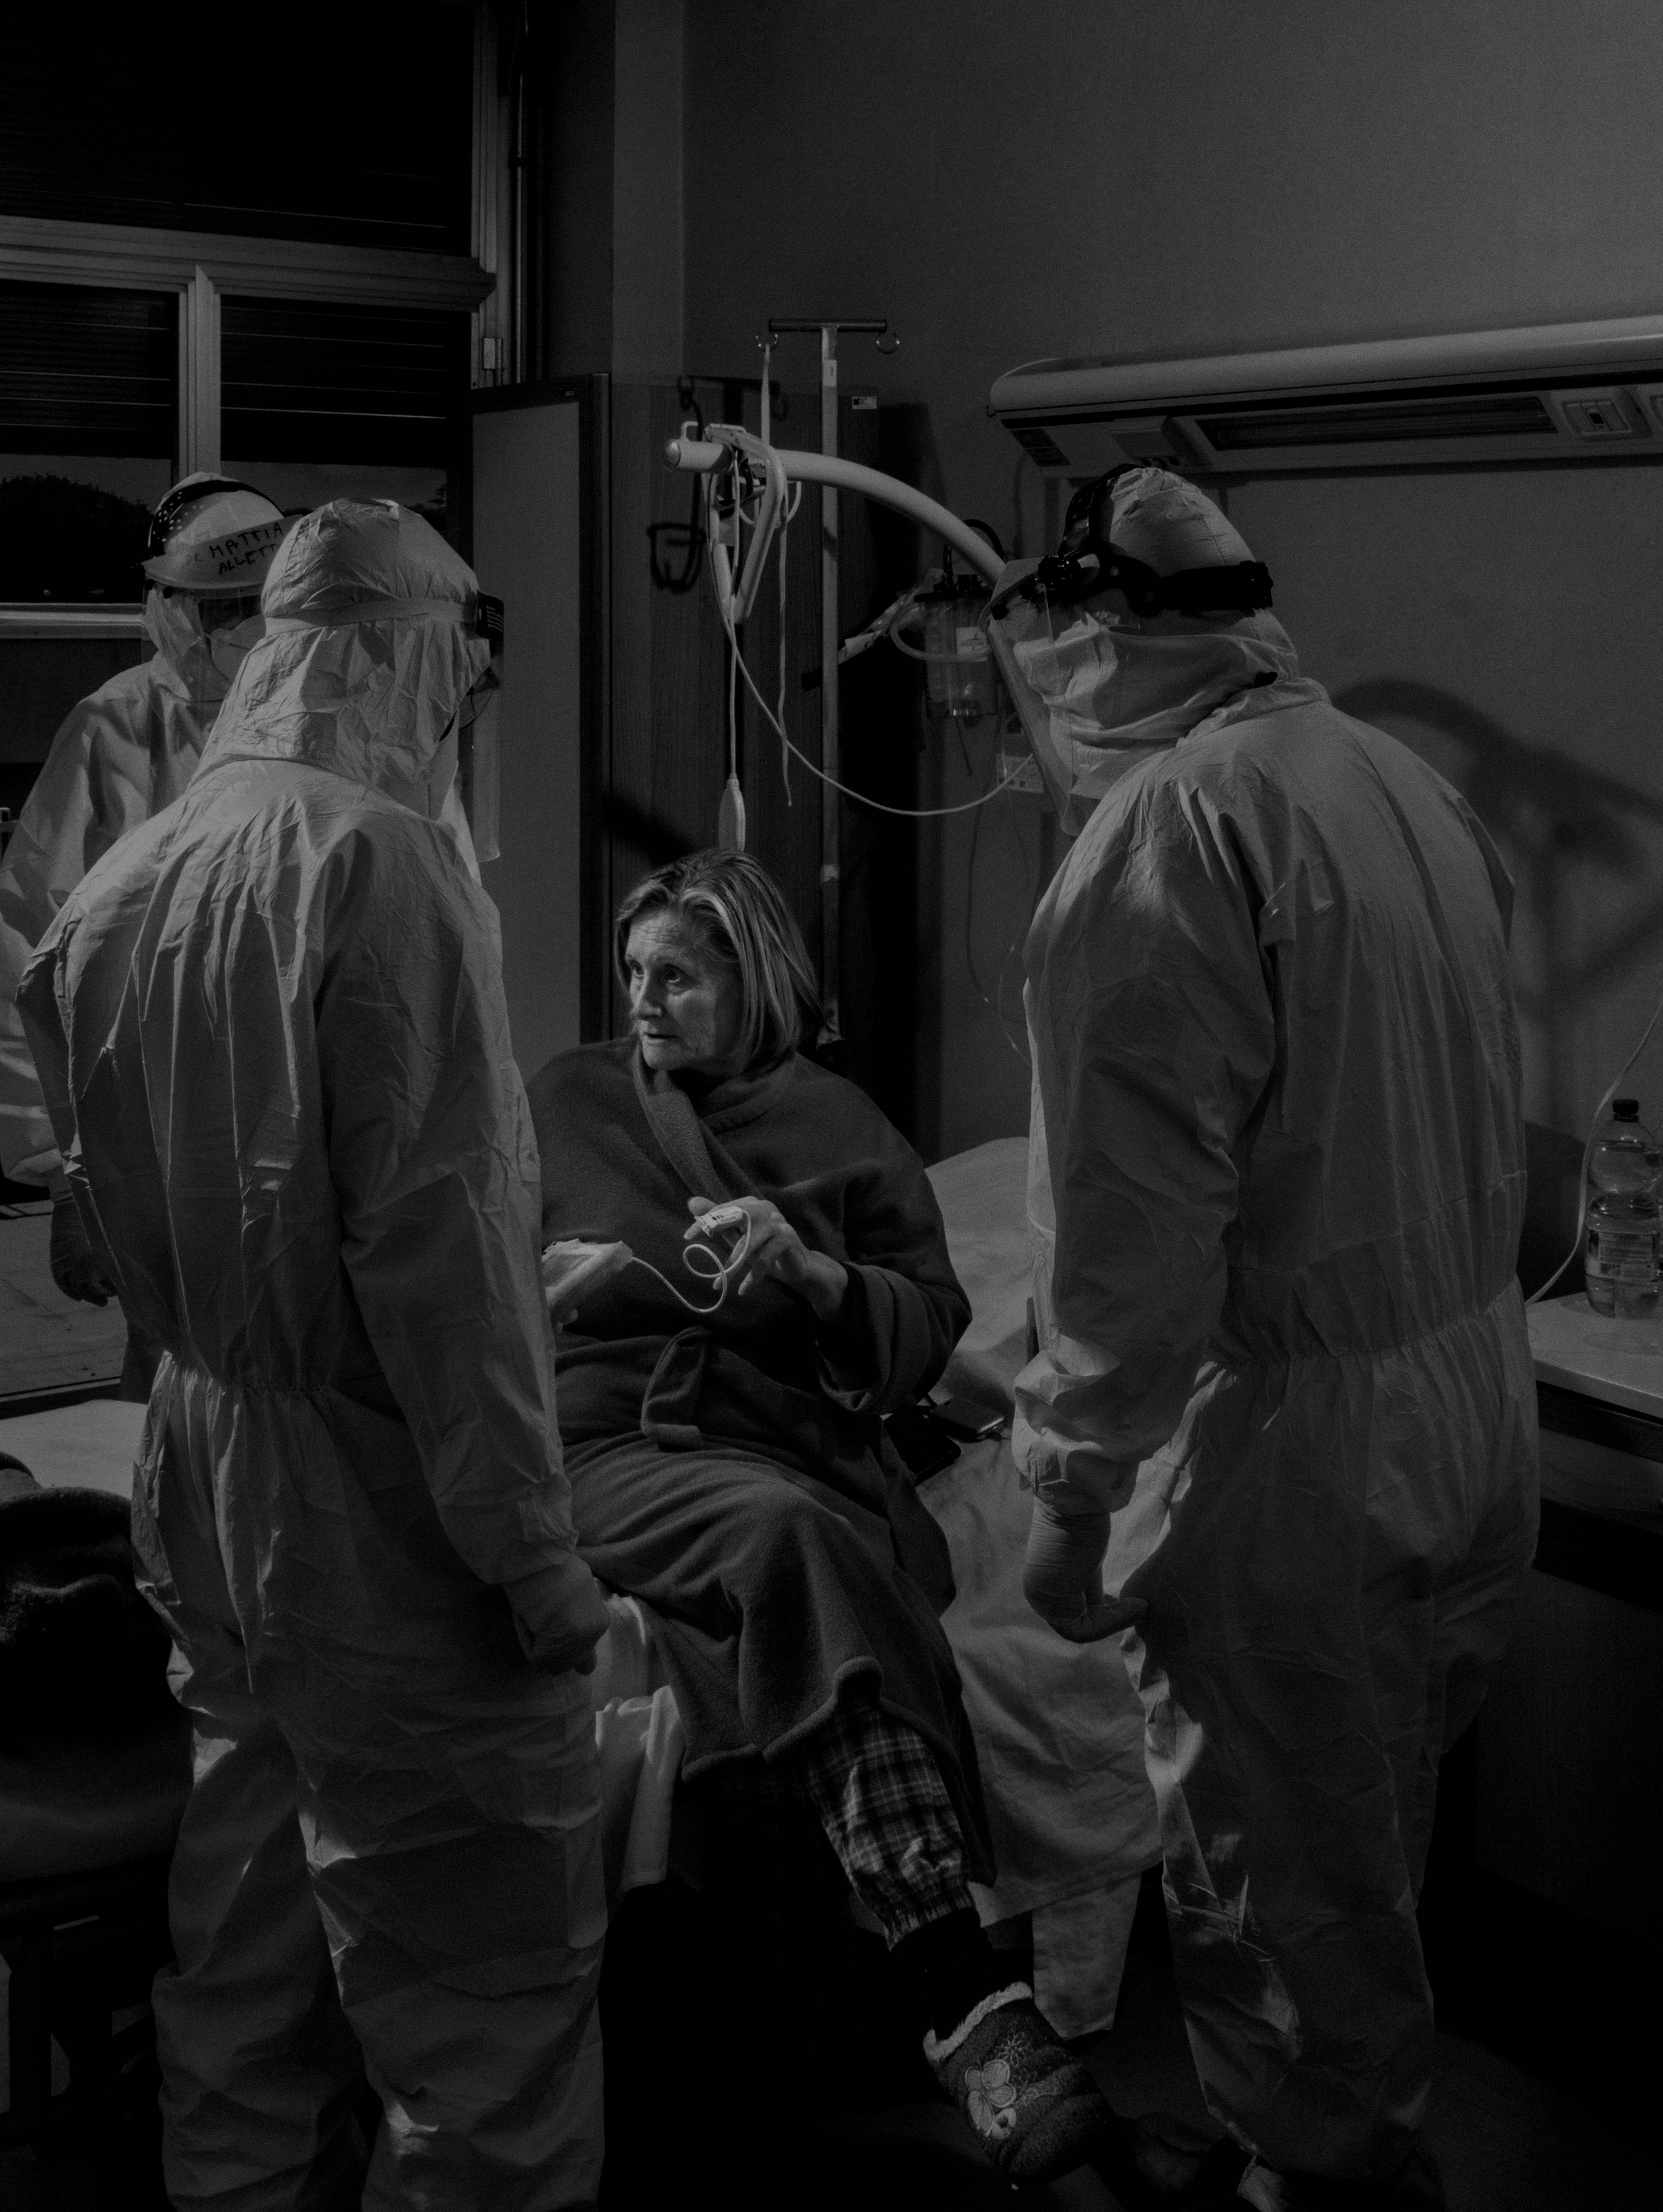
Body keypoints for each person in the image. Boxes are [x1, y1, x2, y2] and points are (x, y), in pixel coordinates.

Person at [17, 499, 609, 2209]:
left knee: (245, 1948)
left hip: (201, 1454)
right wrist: (536, 1562)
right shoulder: (386, 865)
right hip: (376, 1498)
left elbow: (80, 1234)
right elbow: (451, 1269)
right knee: (482, 1997)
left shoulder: (133, 874)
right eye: (455, 678)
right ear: (406, 654)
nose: (457, 716)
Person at [993, 465, 1537, 2211]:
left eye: (1043, 646)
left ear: (1098, 633)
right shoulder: (1393, 776)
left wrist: (1072, 1504)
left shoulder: (1168, 832)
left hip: (1294, 1446)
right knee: (1370, 1845)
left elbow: (1132, 1230)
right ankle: (1358, 2135)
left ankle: (1314, 2176)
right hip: (1464, 1392)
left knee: (1281, 1882)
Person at [529, 849, 1118, 2189]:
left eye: (677, 973)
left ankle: (890, 1996)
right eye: (634, 973)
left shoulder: (845, 1129)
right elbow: (459, 1275)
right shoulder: (565, 1097)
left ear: (755, 977)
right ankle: (956, 1984)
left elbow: (924, 1339)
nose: (646, 1001)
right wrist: (544, 1287)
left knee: (809, 1530)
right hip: (606, 1444)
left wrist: (808, 1274)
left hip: (771, 1443)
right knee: (793, 1541)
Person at [0, 474, 288, 1387]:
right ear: (165, 608)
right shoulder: (117, 729)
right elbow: (29, 949)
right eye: (214, 608)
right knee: (173, 1395)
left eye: (251, 605)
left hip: (306, 1132)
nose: (236, 630)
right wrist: (62, 1171)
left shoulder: (332, 717)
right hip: (160, 1147)